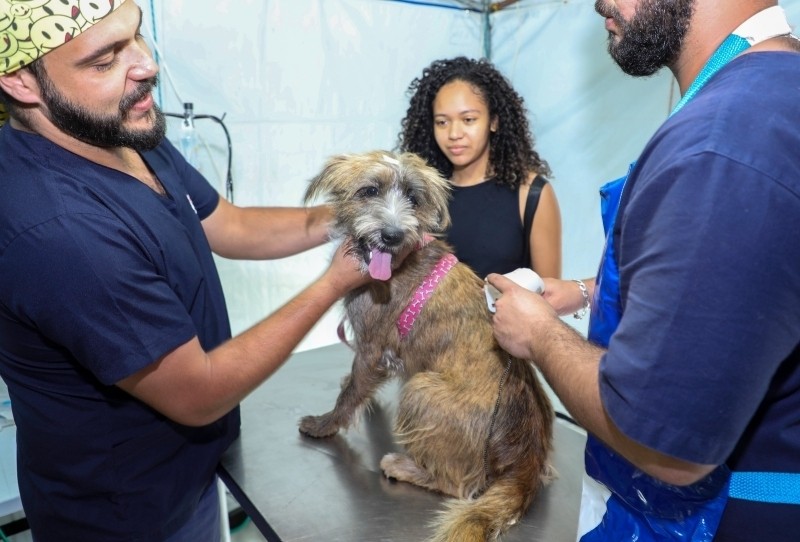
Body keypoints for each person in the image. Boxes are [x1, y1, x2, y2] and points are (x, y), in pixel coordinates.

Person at [0, 1, 385, 540]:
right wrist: (336, 282)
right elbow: (198, 393)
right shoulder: (58, 231)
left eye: (136, 37)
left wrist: (350, 215)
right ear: (21, 82)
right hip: (122, 515)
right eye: (104, 59)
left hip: (192, 474)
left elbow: (231, 226)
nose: (145, 65)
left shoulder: (119, 131)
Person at [487, 1, 800, 541]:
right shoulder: (775, 93)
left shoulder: (722, 143)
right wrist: (585, 292)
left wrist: (538, 332)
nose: (598, 2)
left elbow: (668, 444)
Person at [397, 56, 562, 279]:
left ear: (494, 121)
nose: (454, 134)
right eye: (442, 122)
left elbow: (549, 295)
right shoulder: (420, 194)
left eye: (468, 120)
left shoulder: (531, 194)